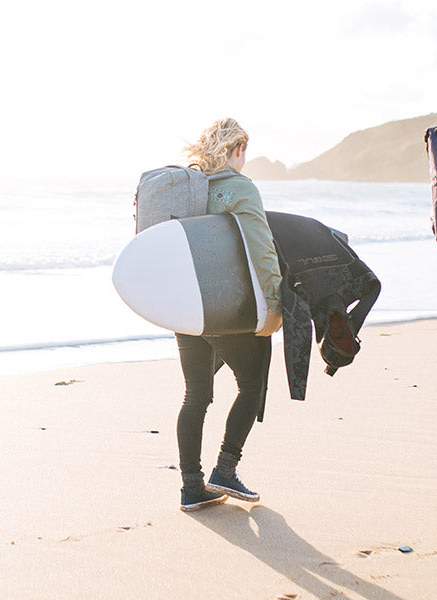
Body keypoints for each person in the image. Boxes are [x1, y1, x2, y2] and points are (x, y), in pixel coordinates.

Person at [175, 118, 283, 512]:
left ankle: (191, 488)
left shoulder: (184, 188)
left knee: (196, 394)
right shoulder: (240, 188)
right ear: (236, 149)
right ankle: (225, 469)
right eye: (244, 151)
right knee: (252, 382)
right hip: (221, 308)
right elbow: (261, 245)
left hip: (183, 307)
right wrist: (274, 301)